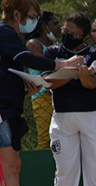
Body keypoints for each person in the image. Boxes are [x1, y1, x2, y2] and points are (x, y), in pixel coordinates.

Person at [0, 0, 82, 186]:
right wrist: (62, 64)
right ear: (17, 14)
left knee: (4, 168)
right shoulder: (5, 32)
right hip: (4, 110)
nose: (35, 21)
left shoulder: (7, 36)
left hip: (7, 105)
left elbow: (11, 67)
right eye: (33, 16)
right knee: (11, 166)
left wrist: (23, 86)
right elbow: (28, 58)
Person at [44, 12, 96, 186]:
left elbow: (92, 84)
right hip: (63, 117)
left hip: (91, 115)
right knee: (65, 169)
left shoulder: (93, 54)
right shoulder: (53, 52)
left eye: (73, 34)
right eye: (65, 31)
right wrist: (69, 69)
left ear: (83, 37)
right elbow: (50, 83)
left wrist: (82, 75)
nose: (67, 35)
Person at [23, 8, 58, 150]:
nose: (59, 28)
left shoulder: (55, 46)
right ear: (44, 26)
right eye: (55, 24)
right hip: (42, 94)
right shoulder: (33, 44)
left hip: (55, 93)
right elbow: (47, 66)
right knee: (45, 138)